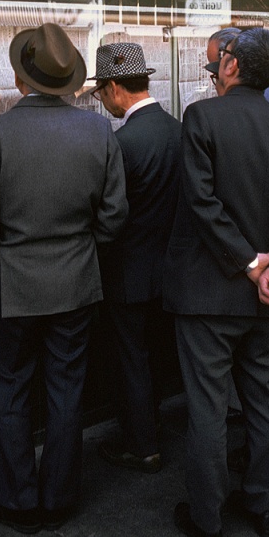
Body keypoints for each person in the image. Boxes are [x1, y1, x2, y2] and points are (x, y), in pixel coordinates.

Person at [0, 23, 128, 533]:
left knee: (10, 389)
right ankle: (59, 497)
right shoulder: (98, 131)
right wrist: (82, 249)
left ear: (20, 79)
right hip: (77, 282)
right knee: (65, 388)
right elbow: (115, 215)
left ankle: (17, 498)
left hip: (14, 285)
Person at [164, 29, 269, 537]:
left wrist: (250, 263)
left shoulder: (202, 118)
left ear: (231, 68)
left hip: (211, 293)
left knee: (208, 407)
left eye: (223, 59)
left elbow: (202, 204)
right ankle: (261, 502)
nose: (219, 66)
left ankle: (207, 519)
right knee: (264, 397)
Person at [91, 42, 181, 474]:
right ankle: (156, 425)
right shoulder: (178, 129)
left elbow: (110, 213)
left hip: (128, 272)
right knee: (159, 354)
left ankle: (142, 444)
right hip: (171, 269)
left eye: (99, 93)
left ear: (113, 88)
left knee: (131, 359)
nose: (102, 102)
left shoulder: (121, 143)